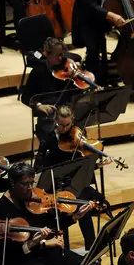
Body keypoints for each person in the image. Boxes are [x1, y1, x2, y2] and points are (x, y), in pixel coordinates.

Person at [33, 104, 110, 252]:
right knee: (63, 212)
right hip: (57, 185)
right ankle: (65, 250)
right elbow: (40, 159)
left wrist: (98, 163)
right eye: (61, 125)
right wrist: (39, 170)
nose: (65, 128)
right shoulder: (49, 136)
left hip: (76, 182)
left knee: (84, 208)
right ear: (55, 121)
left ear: (72, 121)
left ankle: (91, 248)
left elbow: (85, 162)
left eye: (68, 124)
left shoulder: (77, 133)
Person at [71, 0, 131, 85]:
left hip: (105, 17)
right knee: (93, 49)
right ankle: (94, 81)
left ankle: (113, 65)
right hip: (88, 21)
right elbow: (91, 7)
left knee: (128, 34)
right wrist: (112, 15)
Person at [20, 37, 81, 143]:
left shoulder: (67, 71)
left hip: (68, 116)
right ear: (47, 54)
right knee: (52, 138)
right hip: (49, 118)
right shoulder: (38, 72)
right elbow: (25, 96)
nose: (61, 58)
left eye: (62, 54)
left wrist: (81, 81)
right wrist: (39, 105)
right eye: (57, 55)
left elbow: (76, 92)